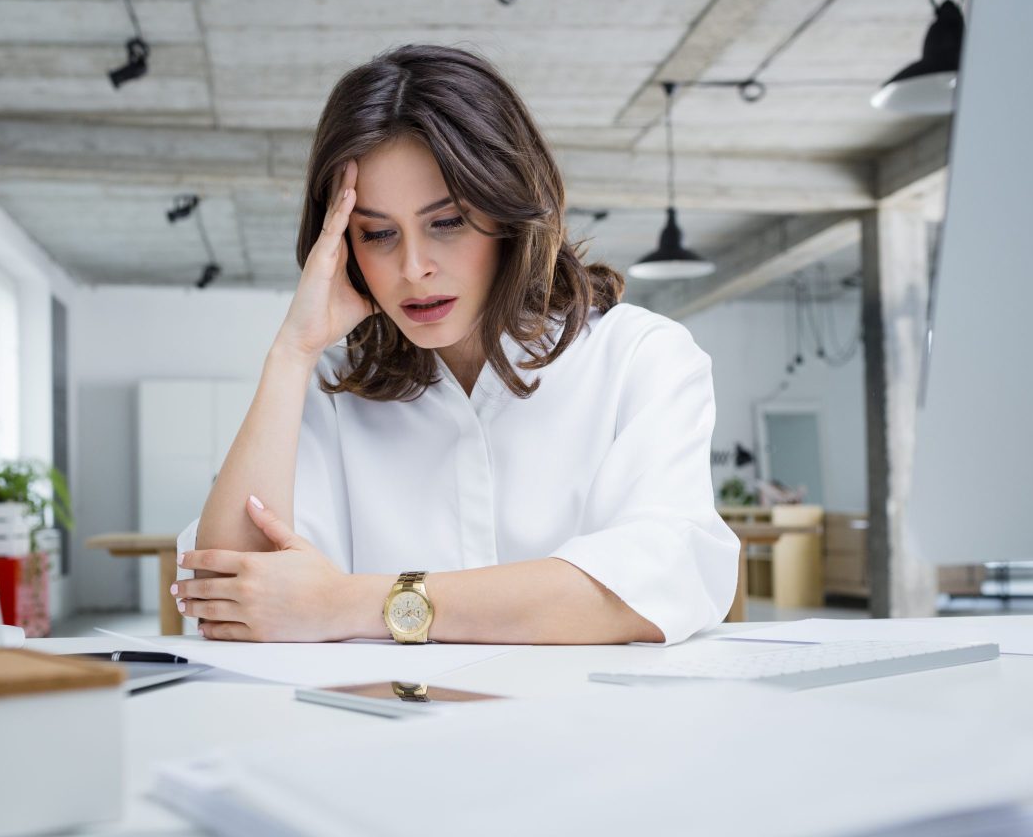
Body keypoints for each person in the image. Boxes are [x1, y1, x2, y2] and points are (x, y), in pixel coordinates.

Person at [173, 44, 738, 646]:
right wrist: (293, 349)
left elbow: (650, 586)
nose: (414, 267)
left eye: (447, 222)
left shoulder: (640, 358)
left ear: (508, 213)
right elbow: (229, 596)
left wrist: (349, 603)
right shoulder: (333, 385)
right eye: (378, 233)